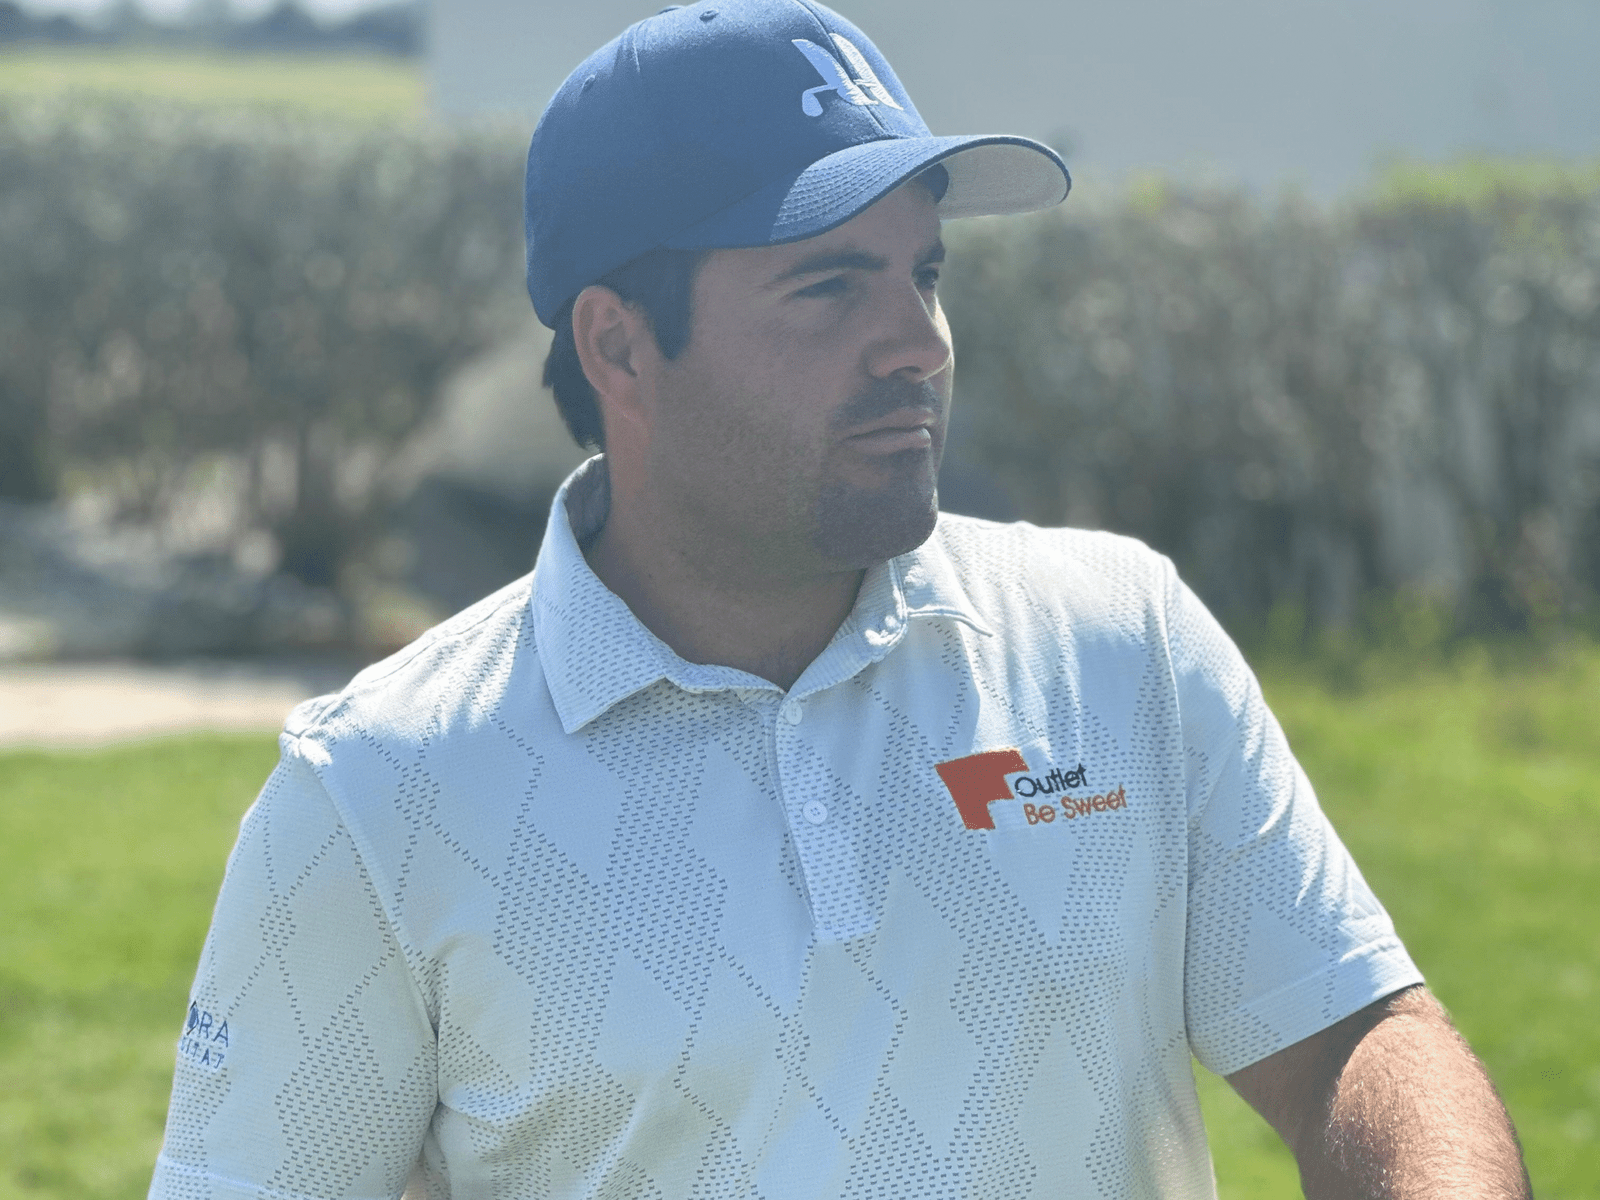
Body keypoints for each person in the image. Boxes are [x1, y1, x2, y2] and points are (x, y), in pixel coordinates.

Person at [149, 2, 1531, 1197]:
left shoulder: (1119, 640)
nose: (917, 343)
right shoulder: (376, 796)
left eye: (924, 274)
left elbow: (1354, 1039)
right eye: (828, 287)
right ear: (618, 347)